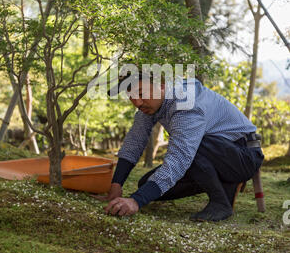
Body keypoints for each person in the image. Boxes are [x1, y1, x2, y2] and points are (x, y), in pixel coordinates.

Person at [93, 71, 264, 222]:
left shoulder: (186, 104)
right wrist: (116, 186)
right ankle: (224, 183)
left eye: (141, 93)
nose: (137, 102)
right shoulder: (150, 105)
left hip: (244, 156)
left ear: (161, 86)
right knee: (145, 184)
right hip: (216, 155)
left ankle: (220, 203)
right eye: (131, 97)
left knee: (191, 146)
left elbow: (180, 158)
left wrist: (136, 201)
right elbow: (134, 142)